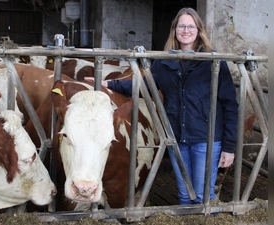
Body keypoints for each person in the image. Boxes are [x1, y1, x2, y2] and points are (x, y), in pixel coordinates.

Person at [86, 7, 238, 205]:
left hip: (206, 139)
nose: (186, 30)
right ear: (174, 29)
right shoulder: (165, 61)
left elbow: (230, 105)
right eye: (181, 26)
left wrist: (229, 147)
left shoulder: (213, 61)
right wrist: (108, 84)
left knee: (202, 197)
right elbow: (144, 86)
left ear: (199, 30)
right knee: (184, 195)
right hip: (177, 138)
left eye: (191, 26)